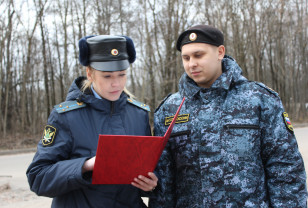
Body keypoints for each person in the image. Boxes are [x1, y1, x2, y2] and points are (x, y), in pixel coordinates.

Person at [149, 25, 307, 207]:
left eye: (198, 55)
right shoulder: (169, 110)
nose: (191, 63)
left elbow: (286, 169)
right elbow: (164, 185)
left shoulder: (259, 100)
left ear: (220, 52)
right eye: (186, 58)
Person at [27, 35, 158, 208]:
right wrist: (86, 166)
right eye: (107, 76)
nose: (116, 84)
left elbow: (144, 174)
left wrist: (150, 185)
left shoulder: (138, 114)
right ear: (90, 74)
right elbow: (38, 178)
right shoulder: (66, 116)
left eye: (122, 74)